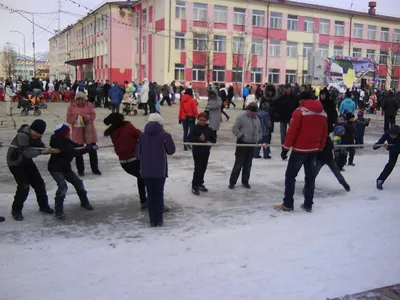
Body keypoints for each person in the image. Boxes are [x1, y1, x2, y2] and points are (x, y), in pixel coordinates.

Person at [275, 91, 327, 212]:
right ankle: (308, 204)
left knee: (290, 176)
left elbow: (292, 131)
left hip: (299, 149)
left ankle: (288, 203)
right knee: (310, 177)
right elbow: (324, 133)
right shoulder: (323, 113)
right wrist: (320, 147)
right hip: (314, 150)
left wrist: (285, 148)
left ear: (302, 100)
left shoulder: (300, 112)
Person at [7, 119, 54, 221]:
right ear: (32, 129)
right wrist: (41, 152)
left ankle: (43, 206)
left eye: (39, 134)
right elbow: (26, 153)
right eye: (36, 133)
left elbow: (39, 147)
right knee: (24, 186)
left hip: (26, 161)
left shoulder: (36, 135)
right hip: (15, 163)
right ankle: (16, 210)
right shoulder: (22, 136)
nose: (37, 135)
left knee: (39, 183)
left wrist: (47, 150)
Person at [136, 113, 176, 227]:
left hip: (146, 170)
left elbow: (138, 154)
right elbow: (171, 151)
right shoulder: (165, 135)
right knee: (159, 194)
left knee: (150, 194)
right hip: (160, 170)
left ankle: (152, 220)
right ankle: (159, 219)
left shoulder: (142, 136)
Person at [48, 124, 95, 219]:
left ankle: (84, 203)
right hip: (56, 169)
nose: (69, 134)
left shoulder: (66, 140)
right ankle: (59, 211)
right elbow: (73, 152)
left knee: (78, 183)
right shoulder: (58, 144)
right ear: (62, 134)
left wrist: (87, 147)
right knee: (62, 187)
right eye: (67, 133)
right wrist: (87, 150)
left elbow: (75, 146)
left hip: (66, 168)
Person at [104, 113, 147, 208]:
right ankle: (148, 200)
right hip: (135, 160)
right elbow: (140, 135)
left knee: (142, 177)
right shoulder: (128, 126)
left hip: (124, 163)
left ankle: (144, 200)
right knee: (146, 177)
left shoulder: (112, 132)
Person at [67, 92, 101, 176]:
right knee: (78, 151)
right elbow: (68, 119)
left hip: (89, 130)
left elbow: (93, 115)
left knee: (92, 150)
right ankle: (80, 170)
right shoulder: (72, 106)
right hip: (77, 130)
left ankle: (95, 169)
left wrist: (88, 117)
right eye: (78, 99)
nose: (80, 101)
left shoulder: (89, 105)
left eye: (82, 99)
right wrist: (75, 117)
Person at [229, 102, 262, 189]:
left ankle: (245, 181)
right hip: (242, 143)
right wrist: (242, 136)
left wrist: (258, 137)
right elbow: (234, 129)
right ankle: (232, 182)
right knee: (239, 164)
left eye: (255, 111)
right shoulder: (241, 117)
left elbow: (259, 130)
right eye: (252, 111)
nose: (253, 113)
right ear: (248, 110)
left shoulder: (256, 119)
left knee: (248, 164)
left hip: (252, 144)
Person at [188, 112, 217, 195]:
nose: (202, 122)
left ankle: (200, 183)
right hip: (197, 151)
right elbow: (189, 138)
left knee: (203, 167)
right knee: (197, 168)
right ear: (198, 120)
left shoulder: (209, 129)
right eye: (200, 120)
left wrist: (209, 141)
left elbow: (214, 140)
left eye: (204, 120)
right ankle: (195, 185)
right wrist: (198, 139)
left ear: (207, 120)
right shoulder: (195, 128)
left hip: (206, 151)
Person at [270, 83, 299, 154]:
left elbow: (297, 105)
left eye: (288, 88)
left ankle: (294, 146)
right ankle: (284, 148)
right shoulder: (281, 96)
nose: (286, 90)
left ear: (290, 88)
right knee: (283, 134)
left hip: (292, 117)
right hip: (283, 117)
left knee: (293, 132)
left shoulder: (294, 96)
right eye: (285, 88)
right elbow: (275, 104)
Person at [374, 124, 400, 190]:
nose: (392, 137)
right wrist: (376, 145)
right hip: (393, 150)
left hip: (396, 147)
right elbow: (381, 141)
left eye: (394, 136)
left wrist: (388, 147)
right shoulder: (387, 133)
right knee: (390, 164)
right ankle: (380, 180)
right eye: (391, 135)